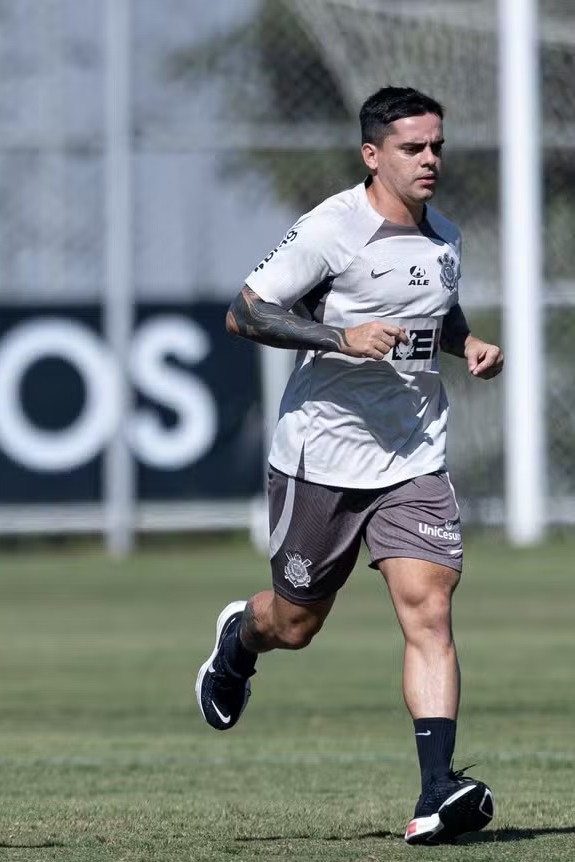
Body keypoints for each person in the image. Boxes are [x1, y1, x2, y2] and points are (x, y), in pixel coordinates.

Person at [194, 86, 502, 846]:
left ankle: (437, 792)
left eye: (436, 146)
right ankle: (239, 641)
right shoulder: (332, 230)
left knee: (429, 607)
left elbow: (440, 307)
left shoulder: (446, 237)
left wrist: (467, 346)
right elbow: (245, 311)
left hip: (413, 454)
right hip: (320, 458)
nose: (430, 159)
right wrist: (339, 339)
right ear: (373, 155)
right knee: (295, 624)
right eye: (412, 148)